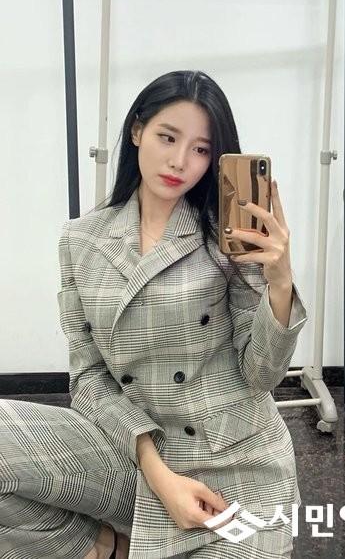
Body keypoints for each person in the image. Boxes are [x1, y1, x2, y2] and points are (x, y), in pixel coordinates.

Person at [0, 70, 308, 558]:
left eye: (201, 149)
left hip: (234, 466)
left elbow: (262, 375)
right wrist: (158, 473)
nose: (180, 161)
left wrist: (280, 281)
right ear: (137, 130)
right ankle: (102, 546)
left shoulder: (227, 240)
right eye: (168, 137)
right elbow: (89, 376)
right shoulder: (82, 240)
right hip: (136, 456)